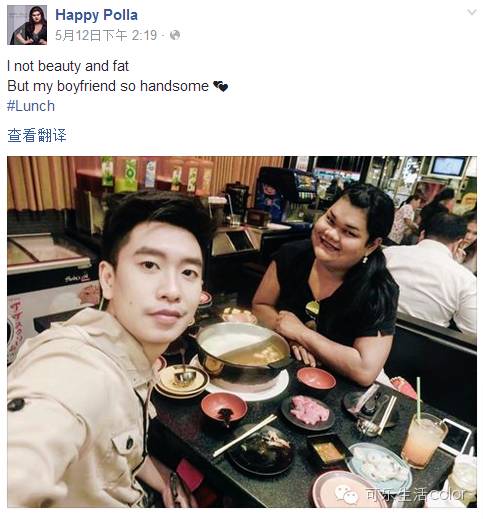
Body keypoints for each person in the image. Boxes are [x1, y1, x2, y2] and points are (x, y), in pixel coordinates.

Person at [8, 191, 214, 507]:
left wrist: (163, 476)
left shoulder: (133, 355)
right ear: (108, 279)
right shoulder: (78, 369)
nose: (172, 290)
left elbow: (116, 448)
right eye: (150, 264)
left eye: (188, 272)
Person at [252, 183, 399, 387]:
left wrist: (302, 334)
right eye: (330, 219)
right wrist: (290, 339)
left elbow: (365, 369)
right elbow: (260, 305)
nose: (330, 233)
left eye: (349, 233)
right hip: (283, 371)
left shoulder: (379, 290)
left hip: (342, 388)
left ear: (372, 245)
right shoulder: (290, 254)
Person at [384, 213, 477, 335]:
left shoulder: (388, 254)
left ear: (422, 234)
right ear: (459, 243)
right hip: (424, 343)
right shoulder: (465, 279)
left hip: (372, 332)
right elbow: (474, 331)